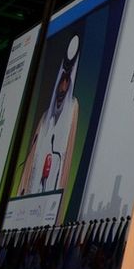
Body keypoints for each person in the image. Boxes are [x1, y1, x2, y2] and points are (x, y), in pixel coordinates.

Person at [19, 34, 81, 195]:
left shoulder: (73, 107)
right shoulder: (45, 119)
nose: (63, 87)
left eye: (67, 82)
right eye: (62, 81)